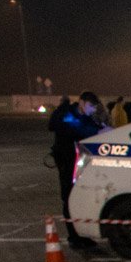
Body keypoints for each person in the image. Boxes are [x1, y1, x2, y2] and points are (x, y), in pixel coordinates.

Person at [48, 91, 108, 249]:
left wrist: (102, 129)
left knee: (81, 197)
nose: (92, 110)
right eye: (90, 106)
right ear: (81, 102)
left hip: (79, 163)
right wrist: (97, 131)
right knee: (69, 198)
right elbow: (76, 129)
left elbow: (92, 129)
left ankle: (82, 235)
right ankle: (73, 237)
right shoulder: (68, 115)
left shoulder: (83, 117)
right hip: (67, 163)